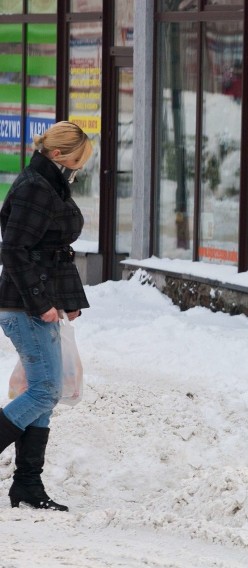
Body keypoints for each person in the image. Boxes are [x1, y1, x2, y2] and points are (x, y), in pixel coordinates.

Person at [0, 121, 93, 511]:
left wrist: (67, 299)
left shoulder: (50, 182)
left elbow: (53, 249)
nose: (79, 167)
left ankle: (27, 487)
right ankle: (27, 485)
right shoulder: (34, 189)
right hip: (24, 306)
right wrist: (41, 302)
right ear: (57, 155)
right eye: (76, 159)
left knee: (43, 394)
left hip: (39, 303)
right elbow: (15, 250)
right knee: (45, 390)